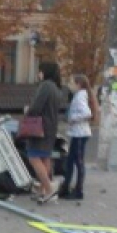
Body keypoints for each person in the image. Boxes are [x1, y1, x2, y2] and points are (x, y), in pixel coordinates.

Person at [27, 62, 62, 204]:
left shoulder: (46, 86)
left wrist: (27, 111)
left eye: (40, 71)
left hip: (39, 127)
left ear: (45, 72)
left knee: (34, 158)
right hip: (51, 127)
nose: (38, 74)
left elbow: (36, 108)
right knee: (45, 158)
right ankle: (42, 190)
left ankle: (49, 189)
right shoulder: (56, 88)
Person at [59, 75, 93, 200]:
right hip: (77, 133)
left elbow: (87, 113)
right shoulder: (79, 96)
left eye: (71, 82)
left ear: (78, 84)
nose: (69, 85)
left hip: (80, 133)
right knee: (70, 161)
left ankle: (78, 191)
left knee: (78, 162)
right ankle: (66, 187)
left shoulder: (80, 97)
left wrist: (72, 119)